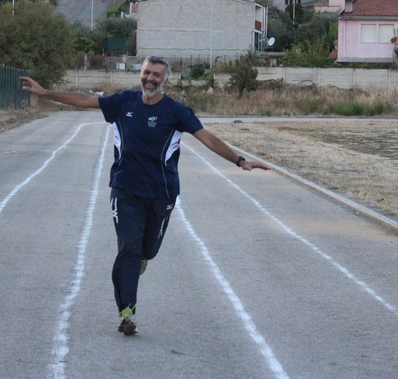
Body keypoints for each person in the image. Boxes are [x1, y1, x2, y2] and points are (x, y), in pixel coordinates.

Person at [20, 56, 269, 335]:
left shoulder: (176, 112)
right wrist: (44, 93)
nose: (150, 78)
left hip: (161, 193)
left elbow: (207, 137)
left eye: (157, 75)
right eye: (147, 72)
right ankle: (127, 311)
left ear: (165, 80)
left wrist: (239, 160)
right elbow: (84, 99)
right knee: (129, 246)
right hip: (125, 188)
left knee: (147, 250)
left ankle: (141, 260)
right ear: (141, 74)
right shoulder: (124, 102)